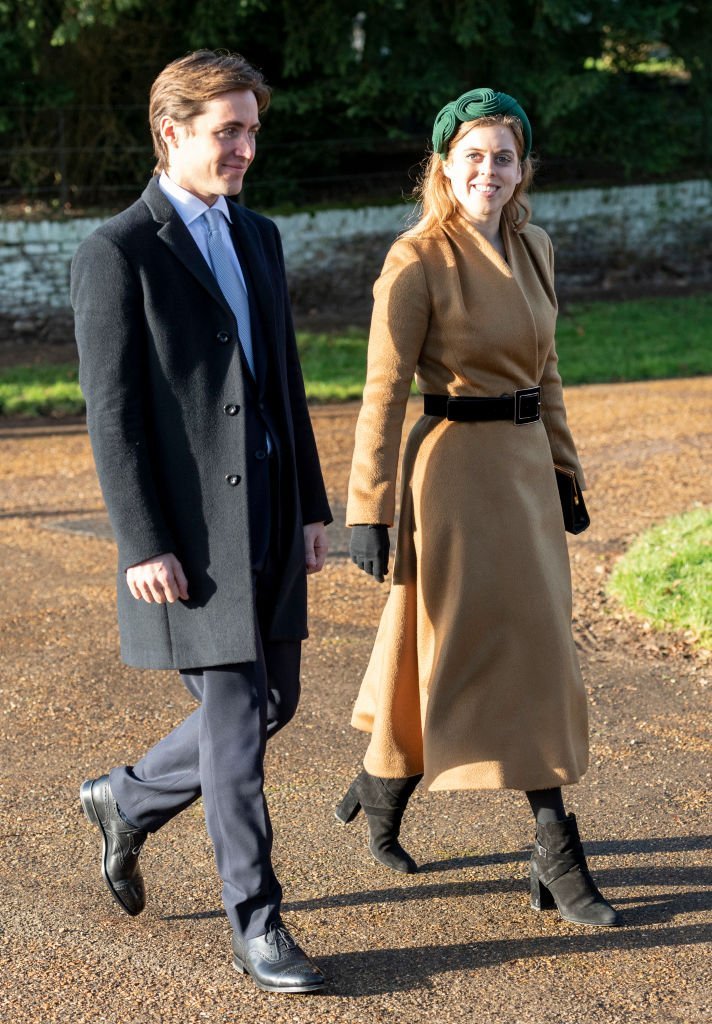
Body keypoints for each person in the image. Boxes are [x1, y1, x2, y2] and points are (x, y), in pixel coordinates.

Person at [72, 49, 331, 993]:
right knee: (233, 721)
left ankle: (126, 797)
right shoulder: (117, 251)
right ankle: (256, 924)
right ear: (171, 132)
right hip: (190, 538)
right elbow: (113, 411)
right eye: (228, 130)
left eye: (253, 129)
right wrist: (142, 540)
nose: (246, 148)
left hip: (269, 513)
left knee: (272, 704)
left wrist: (311, 507)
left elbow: (285, 385)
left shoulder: (258, 235)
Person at [337, 88, 619, 928]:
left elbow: (549, 367)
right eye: (473, 156)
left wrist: (565, 468)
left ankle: (383, 782)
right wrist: (368, 505)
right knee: (495, 645)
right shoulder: (417, 258)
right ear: (443, 167)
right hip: (453, 476)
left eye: (503, 156)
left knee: (465, 639)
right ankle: (555, 845)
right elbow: (383, 391)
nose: (488, 171)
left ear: (522, 167)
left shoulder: (535, 246)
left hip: (526, 471)